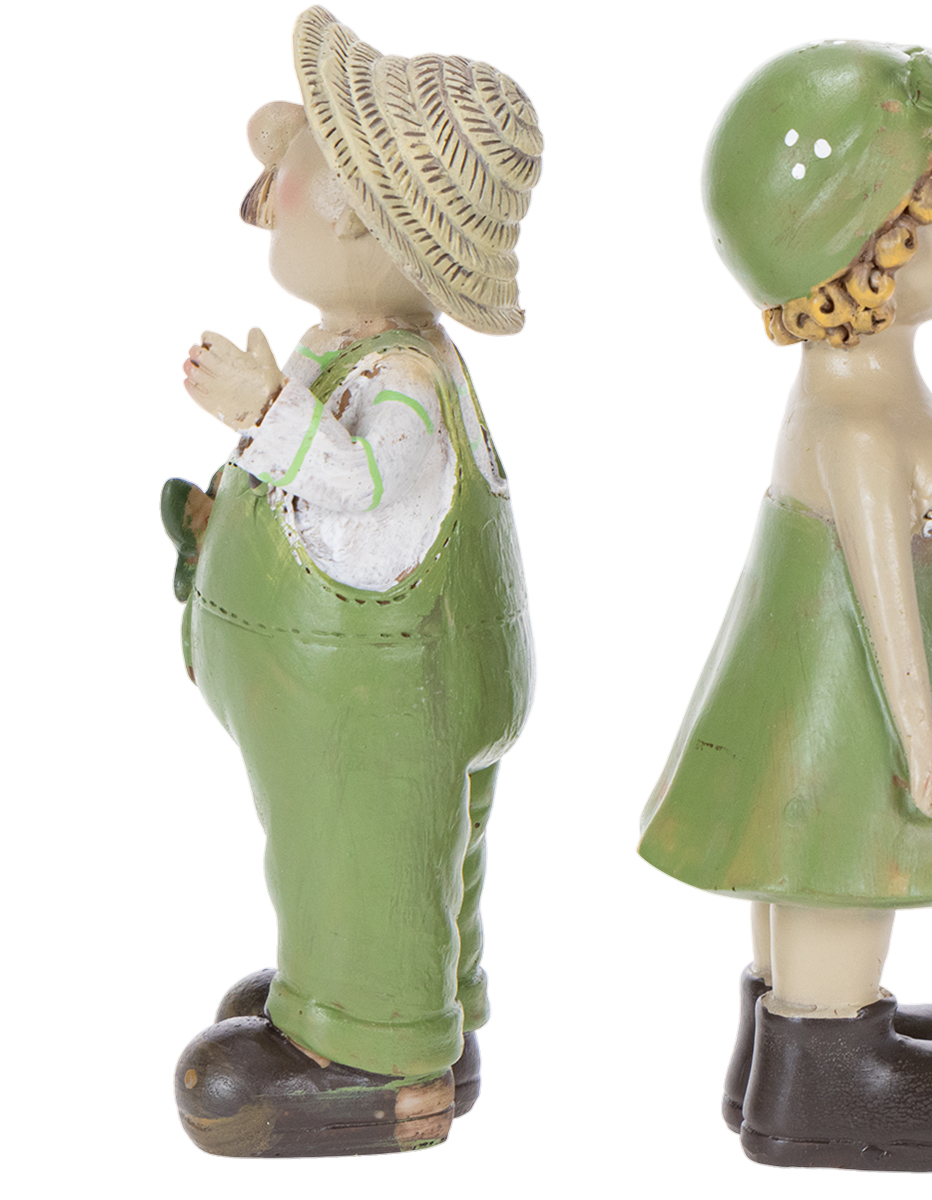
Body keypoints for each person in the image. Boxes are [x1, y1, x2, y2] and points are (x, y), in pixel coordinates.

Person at [638, 40, 932, 1171]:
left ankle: (780, 1041)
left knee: (801, 857)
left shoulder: (857, 399)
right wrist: (920, 734)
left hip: (807, 684)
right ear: (886, 243)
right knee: (838, 857)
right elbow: (883, 589)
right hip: (848, 705)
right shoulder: (858, 427)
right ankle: (827, 1064)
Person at [161, 7, 542, 1156]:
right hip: (360, 695)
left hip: (379, 705)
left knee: (368, 849)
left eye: (303, 156)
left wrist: (262, 412)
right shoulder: (356, 345)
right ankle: (400, 1005)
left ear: (372, 218)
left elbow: (367, 481)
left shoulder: (407, 378)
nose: (269, 176)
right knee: (382, 861)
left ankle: (377, 1049)